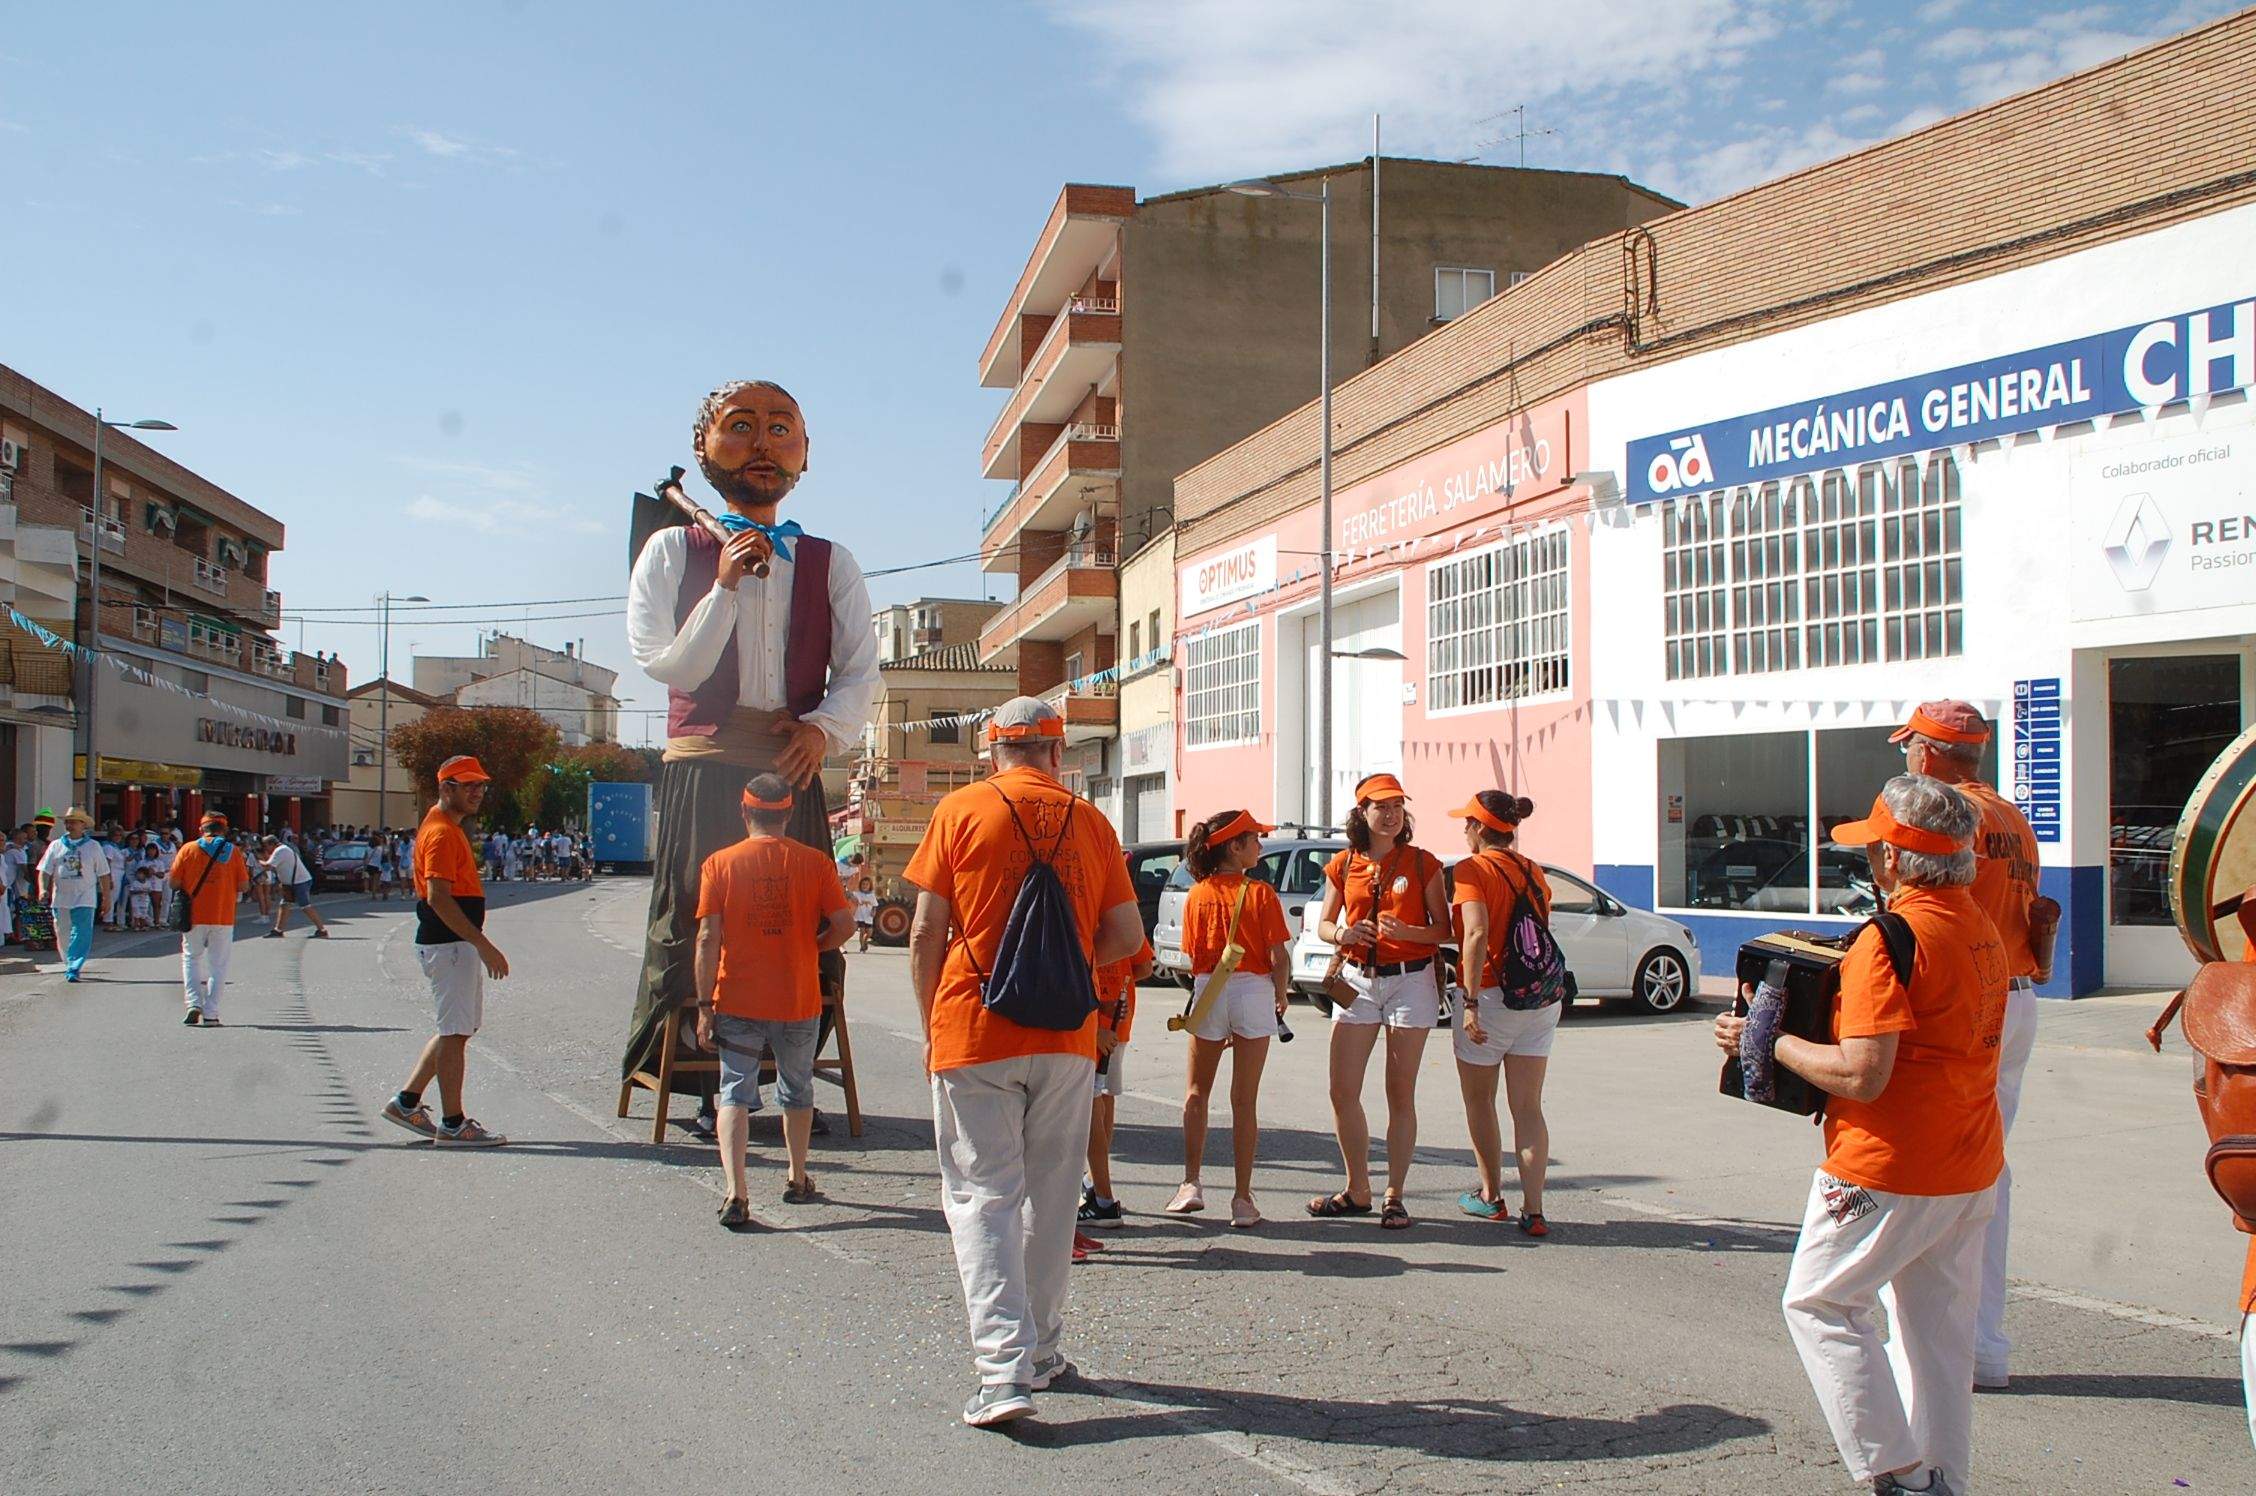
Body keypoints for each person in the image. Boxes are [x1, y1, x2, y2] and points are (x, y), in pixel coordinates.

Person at [1715, 774, 2007, 1496]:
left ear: (1897, 862)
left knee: (1818, 1303)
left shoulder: (1889, 938)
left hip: (1886, 1166)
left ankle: (1901, 1475)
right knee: (1936, 1340)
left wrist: (1766, 1039)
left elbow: (1863, 1074)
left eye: (1875, 848)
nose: (1870, 862)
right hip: (1968, 1164)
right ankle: (1942, 1479)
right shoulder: (1978, 923)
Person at [620, 380, 878, 1129]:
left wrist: (822, 730)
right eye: (741, 427)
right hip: (702, 767)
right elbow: (670, 666)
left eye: (780, 429)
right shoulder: (673, 549)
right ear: (705, 448)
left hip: (790, 769)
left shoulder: (832, 562)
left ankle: (790, 1076)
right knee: (703, 925)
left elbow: (863, 669)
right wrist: (725, 587)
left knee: (802, 925)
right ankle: (707, 1085)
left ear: (805, 454)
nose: (763, 444)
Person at [903, 697, 1143, 1427]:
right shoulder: (1092, 821)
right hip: (1065, 1036)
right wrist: (1064, 969)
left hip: (975, 1027)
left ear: (992, 750)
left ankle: (1002, 1373)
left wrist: (929, 1028)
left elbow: (924, 933)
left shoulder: (962, 811)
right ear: (1056, 751)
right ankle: (1040, 1352)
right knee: (1048, 1197)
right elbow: (1126, 934)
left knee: (984, 1196)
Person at [1891, 700, 2041, 1391]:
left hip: (1964, 997)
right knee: (1987, 1172)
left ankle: (1932, 1350)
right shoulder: (2011, 816)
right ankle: (1981, 1345)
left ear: (1933, 752)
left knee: (1924, 1169)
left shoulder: (1942, 815)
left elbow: (1911, 907)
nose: (1906, 759)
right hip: (2013, 995)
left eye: (1910, 747)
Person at [694, 773, 855, 1225]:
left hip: (737, 1000)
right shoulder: (816, 863)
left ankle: (735, 1192)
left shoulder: (719, 864)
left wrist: (705, 1006)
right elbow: (844, 926)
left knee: (734, 1091)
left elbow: (707, 939)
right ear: (787, 814)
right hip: (797, 998)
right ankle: (797, 1176)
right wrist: (811, 945)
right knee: (796, 1088)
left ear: (744, 812)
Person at [1307, 773, 1449, 1229]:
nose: (1390, 815)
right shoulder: (1345, 864)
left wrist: (1409, 933)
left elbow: (1443, 930)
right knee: (1342, 1089)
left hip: (1410, 981)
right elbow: (1324, 925)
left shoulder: (1423, 863)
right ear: (1362, 814)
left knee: (1399, 1091)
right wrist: (1344, 934)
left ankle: (1395, 1194)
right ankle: (1357, 1188)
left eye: (1396, 807)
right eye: (1380, 807)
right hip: (1357, 981)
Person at [1167, 808, 1293, 1230]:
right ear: (1234, 847)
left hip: (1209, 989)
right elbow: (1278, 957)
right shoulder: (1260, 894)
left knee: (1196, 1092)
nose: (1260, 844)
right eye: (1254, 838)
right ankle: (1242, 1198)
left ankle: (1190, 1183)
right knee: (1245, 1099)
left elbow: (1190, 958)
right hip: (1253, 991)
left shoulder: (1196, 894)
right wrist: (1280, 994)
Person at [380, 756, 511, 1146]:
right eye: (468, 785)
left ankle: (406, 1101)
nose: (477, 792)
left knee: (458, 1030)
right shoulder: (440, 833)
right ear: (444, 788)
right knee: (454, 1032)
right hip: (449, 945)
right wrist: (483, 944)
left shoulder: (448, 830)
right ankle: (453, 1124)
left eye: (481, 785)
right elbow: (438, 897)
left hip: (453, 945)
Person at [1447, 791, 1558, 1236]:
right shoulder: (1532, 870)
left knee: (1480, 1100)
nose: (1464, 831)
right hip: (1538, 998)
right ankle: (1534, 1211)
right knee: (1528, 1107)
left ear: (1478, 828)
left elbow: (1475, 933)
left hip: (1491, 997)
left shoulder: (1471, 869)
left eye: (1467, 823)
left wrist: (1469, 1003)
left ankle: (1491, 1196)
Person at [1078, 932, 1155, 1236]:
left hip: (1095, 1023)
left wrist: (1096, 1021)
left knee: (1092, 1103)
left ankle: (1102, 1194)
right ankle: (1097, 1179)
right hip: (1118, 1020)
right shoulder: (1120, 911)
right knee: (1104, 1098)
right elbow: (1144, 965)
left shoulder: (1090, 910)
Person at [171, 811, 252, 1023]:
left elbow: (174, 882)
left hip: (193, 914)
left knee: (191, 958)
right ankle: (211, 1013)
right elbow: (244, 885)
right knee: (218, 965)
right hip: (223, 915)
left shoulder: (188, 849)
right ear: (224, 830)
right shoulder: (233, 852)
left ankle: (193, 1003)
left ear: (201, 829)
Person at [38, 807, 113, 982]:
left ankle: (74, 965)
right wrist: (42, 889)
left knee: (81, 932)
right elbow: (44, 870)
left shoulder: (93, 847)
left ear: (83, 825)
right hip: (61, 897)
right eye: (67, 822)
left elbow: (103, 874)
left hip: (84, 897)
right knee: (62, 932)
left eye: (73, 822)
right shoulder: (56, 845)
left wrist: (107, 898)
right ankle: (68, 961)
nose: (69, 825)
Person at [261, 833, 331, 939]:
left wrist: (257, 858)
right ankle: (278, 930)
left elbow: (268, 866)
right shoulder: (281, 849)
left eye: (266, 846)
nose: (265, 849)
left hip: (299, 882)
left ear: (272, 844)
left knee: (305, 906)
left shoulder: (281, 850)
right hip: (291, 883)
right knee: (284, 905)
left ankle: (322, 930)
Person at [851, 874, 876, 953]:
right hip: (860, 916)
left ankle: (865, 941)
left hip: (868, 916)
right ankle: (862, 947)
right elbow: (850, 895)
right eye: (863, 884)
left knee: (869, 933)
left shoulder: (872, 895)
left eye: (867, 884)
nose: (865, 886)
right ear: (860, 885)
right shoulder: (858, 894)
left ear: (870, 886)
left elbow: (875, 905)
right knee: (862, 931)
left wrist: (873, 911)